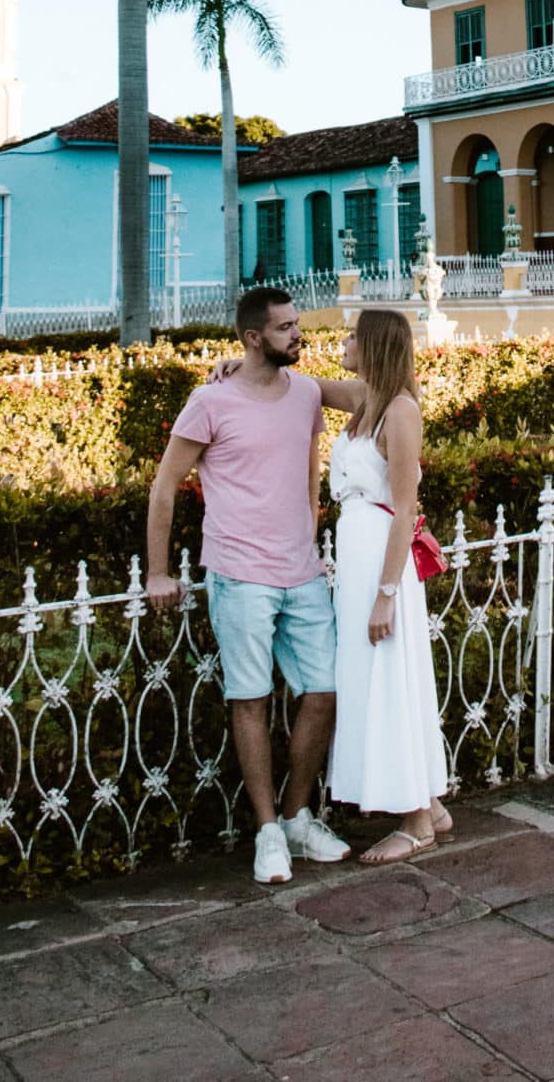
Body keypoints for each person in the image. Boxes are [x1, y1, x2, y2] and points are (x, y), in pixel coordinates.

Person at [145, 286, 350, 886]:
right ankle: (266, 832)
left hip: (302, 571)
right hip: (238, 574)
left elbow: (378, 394)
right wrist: (158, 571)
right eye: (285, 328)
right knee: (250, 698)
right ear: (252, 338)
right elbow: (164, 487)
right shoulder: (210, 402)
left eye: (297, 324)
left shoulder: (307, 392)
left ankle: (295, 818)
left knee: (325, 690)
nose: (298, 334)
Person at [324, 307, 451, 864]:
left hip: (382, 564)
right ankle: (429, 800)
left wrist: (386, 593)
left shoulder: (399, 411)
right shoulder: (363, 401)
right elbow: (310, 388)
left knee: (392, 680)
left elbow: (404, 512)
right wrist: (242, 364)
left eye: (353, 335)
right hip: (356, 562)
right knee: (376, 680)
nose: (344, 341)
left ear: (373, 345)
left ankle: (417, 822)